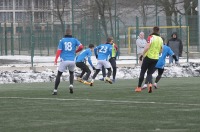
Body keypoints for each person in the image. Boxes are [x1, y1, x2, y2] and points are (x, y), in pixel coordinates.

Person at [52, 28, 83, 95]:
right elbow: (81, 47)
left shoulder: (62, 40)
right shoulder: (75, 40)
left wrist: (56, 60)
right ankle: (71, 84)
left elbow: (59, 50)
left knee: (59, 75)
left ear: (65, 33)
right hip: (72, 60)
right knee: (71, 73)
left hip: (64, 60)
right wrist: (76, 51)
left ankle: (55, 90)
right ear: (71, 33)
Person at [135, 26, 163, 93]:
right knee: (149, 73)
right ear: (158, 31)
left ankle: (139, 87)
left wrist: (142, 54)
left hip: (148, 57)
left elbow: (147, 47)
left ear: (152, 30)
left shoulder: (150, 37)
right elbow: (161, 50)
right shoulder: (160, 39)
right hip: (155, 58)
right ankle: (150, 85)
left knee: (143, 71)